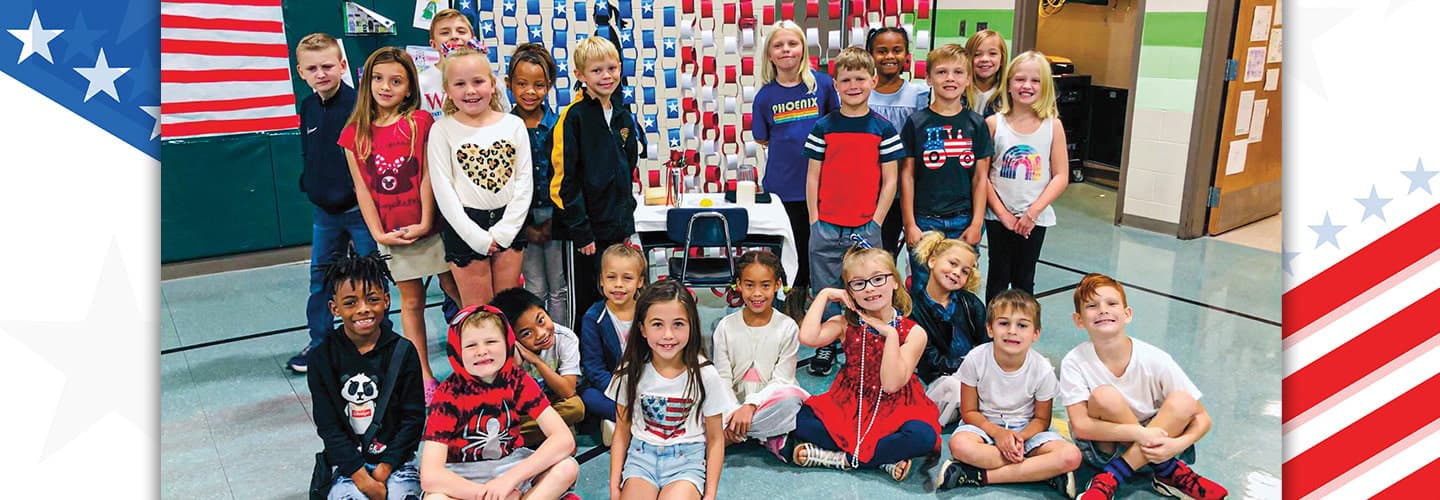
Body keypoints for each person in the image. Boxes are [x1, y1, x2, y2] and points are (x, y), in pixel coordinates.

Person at [338, 46, 460, 403]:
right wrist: (377, 233)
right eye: (377, 79)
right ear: (366, 82)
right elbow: (362, 188)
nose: (385, 87)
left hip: (431, 228)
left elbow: (426, 176)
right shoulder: (354, 133)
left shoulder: (420, 122)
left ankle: (481, 358)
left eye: (395, 80)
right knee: (411, 302)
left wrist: (424, 221)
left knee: (457, 289)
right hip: (391, 233)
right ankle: (422, 374)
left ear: (409, 87)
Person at [1062, 274, 1229, 500]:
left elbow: (1203, 418)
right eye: (1092, 306)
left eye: (1111, 303)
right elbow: (1081, 426)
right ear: (1079, 320)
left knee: (1183, 401)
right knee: (1104, 396)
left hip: (1160, 446)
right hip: (1105, 449)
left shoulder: (1155, 358)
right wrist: (1140, 434)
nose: (1102, 310)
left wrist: (1178, 444)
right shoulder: (1074, 361)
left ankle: (1110, 478)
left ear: (1127, 314)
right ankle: (1168, 470)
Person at [790, 245, 940, 482]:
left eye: (878, 279)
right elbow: (807, 337)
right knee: (796, 419)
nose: (869, 288)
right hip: (850, 403)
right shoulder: (844, 324)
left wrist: (889, 335)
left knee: (923, 437)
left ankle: (840, 459)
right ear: (849, 291)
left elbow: (891, 385)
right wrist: (825, 294)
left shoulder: (914, 332)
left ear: (895, 282)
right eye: (858, 283)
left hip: (896, 407)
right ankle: (882, 461)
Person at [802, 47, 906, 377]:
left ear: (873, 80)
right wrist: (814, 220)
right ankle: (828, 346)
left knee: (867, 288)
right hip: (827, 224)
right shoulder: (824, 126)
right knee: (827, 288)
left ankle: (868, 345)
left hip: (865, 226)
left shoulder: (883, 128)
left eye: (860, 78)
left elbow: (891, 180)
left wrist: (876, 220)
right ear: (835, 85)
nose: (853, 85)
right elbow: (813, 175)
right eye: (846, 79)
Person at [290, 32, 390, 374]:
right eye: (313, 68)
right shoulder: (307, 107)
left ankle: (379, 342)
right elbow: (310, 153)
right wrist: (311, 184)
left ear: (343, 65)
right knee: (321, 279)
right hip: (325, 214)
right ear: (301, 71)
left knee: (371, 277)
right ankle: (320, 344)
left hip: (361, 213)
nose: (321, 73)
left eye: (328, 66)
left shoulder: (361, 105)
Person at [925, 289, 1081, 496]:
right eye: (1004, 323)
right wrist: (999, 434)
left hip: (1027, 432)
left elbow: (1042, 419)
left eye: (1022, 325)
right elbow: (969, 411)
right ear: (990, 328)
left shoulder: (1042, 369)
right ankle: (1041, 471)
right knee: (959, 445)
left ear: (1036, 333)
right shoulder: (975, 359)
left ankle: (976, 476)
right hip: (983, 427)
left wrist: (1017, 438)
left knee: (1071, 456)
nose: (1012, 331)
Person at [418, 305, 580, 499]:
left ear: (508, 343)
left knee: (567, 467)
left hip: (510, 466)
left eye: (491, 341)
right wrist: (488, 494)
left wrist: (508, 481)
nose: (482, 351)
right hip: (463, 475)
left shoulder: (517, 380)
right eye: (471, 345)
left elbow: (564, 439)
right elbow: (430, 475)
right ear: (456, 352)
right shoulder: (448, 393)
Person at [306, 251, 425, 499]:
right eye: (350, 303)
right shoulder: (322, 358)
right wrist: (362, 479)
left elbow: (413, 420)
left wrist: (384, 470)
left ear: (387, 300)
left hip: (397, 464)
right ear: (334, 308)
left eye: (372, 299)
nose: (363, 309)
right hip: (347, 467)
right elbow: (329, 427)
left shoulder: (403, 352)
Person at [607, 279, 737, 500]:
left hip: (687, 462)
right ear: (642, 329)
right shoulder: (629, 371)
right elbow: (621, 430)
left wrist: (710, 493)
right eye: (657, 324)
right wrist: (614, 484)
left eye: (678, 324)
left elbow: (715, 439)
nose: (668, 335)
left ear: (691, 326)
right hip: (641, 459)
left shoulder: (705, 374)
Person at [427, 47, 532, 307]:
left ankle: (511, 350)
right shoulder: (442, 130)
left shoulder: (513, 125)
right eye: (460, 84)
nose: (470, 91)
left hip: (510, 221)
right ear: (448, 90)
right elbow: (444, 190)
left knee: (509, 309)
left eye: (478, 81)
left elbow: (524, 182)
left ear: (493, 85)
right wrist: (476, 237)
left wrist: (506, 230)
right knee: (480, 313)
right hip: (464, 225)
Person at [550, 35, 641, 325]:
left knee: (620, 296)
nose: (606, 76)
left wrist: (626, 221)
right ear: (580, 75)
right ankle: (588, 362)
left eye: (612, 68)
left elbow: (628, 168)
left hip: (617, 227)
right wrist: (581, 230)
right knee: (589, 299)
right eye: (597, 70)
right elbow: (565, 181)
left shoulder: (623, 116)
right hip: (587, 234)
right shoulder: (573, 117)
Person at [752, 20, 840, 302]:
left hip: (823, 185)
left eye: (792, 43)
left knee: (820, 247)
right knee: (791, 247)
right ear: (769, 54)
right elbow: (763, 139)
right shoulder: (765, 96)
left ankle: (824, 301)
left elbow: (836, 126)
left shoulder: (824, 85)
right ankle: (793, 300)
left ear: (803, 48)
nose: (786, 50)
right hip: (782, 186)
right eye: (778, 45)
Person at [899, 43, 993, 290]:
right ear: (929, 78)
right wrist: (910, 223)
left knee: (960, 285)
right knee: (923, 284)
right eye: (941, 72)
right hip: (925, 220)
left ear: (968, 79)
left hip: (963, 220)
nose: (950, 78)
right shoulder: (916, 122)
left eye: (958, 72)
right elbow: (907, 175)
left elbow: (980, 178)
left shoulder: (977, 124)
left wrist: (976, 223)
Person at [984, 51, 1069, 301]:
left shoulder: (1053, 125)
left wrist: (1032, 213)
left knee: (1024, 278)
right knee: (998, 278)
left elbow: (1061, 176)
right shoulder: (993, 124)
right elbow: (983, 176)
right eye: (1020, 79)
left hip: (1035, 219)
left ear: (1045, 87)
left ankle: (1023, 331)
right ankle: (992, 333)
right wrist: (1003, 214)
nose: (1027, 86)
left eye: (1035, 80)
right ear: (1008, 84)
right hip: (999, 218)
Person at [710, 251, 810, 459]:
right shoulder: (725, 327)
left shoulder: (787, 327)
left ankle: (728, 436)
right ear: (738, 285)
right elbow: (722, 378)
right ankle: (765, 435)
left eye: (765, 285)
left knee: (792, 400)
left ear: (776, 285)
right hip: (731, 406)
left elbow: (782, 379)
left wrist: (751, 405)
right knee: (703, 398)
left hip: (768, 403)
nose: (757, 293)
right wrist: (735, 410)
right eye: (749, 285)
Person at [507, 43, 571, 328]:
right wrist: (523, 224)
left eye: (539, 85)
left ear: (549, 86)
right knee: (533, 286)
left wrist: (555, 219)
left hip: (555, 216)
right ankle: (537, 346)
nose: (530, 92)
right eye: (522, 84)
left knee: (558, 286)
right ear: (509, 84)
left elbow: (566, 175)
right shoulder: (504, 126)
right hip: (519, 219)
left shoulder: (559, 125)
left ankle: (560, 345)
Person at [490, 287, 586, 446]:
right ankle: (555, 433)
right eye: (526, 333)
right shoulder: (503, 351)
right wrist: (513, 362)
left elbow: (568, 391)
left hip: (551, 402)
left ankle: (511, 439)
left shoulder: (565, 338)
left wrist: (536, 361)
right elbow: (502, 402)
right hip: (520, 410)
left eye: (541, 320)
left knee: (576, 408)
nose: (541, 333)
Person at [866, 27, 931, 260]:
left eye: (897, 50)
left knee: (888, 251)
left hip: (902, 190)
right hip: (868, 188)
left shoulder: (919, 95)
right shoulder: (861, 94)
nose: (890, 56)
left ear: (907, 54)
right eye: (882, 51)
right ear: (871, 55)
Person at [577, 244, 648, 442]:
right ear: (601, 280)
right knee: (587, 396)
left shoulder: (649, 312)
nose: (618, 284)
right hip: (610, 387)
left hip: (645, 384)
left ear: (640, 281)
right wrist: (622, 393)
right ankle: (632, 420)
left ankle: (624, 422)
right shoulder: (593, 317)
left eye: (627, 278)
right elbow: (594, 368)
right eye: (611, 277)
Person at [907, 231, 987, 387]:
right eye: (952, 263)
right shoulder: (913, 310)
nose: (957, 272)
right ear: (932, 261)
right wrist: (969, 367)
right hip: (939, 381)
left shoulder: (971, 303)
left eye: (965, 271)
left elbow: (986, 343)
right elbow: (930, 361)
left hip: (976, 374)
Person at [419, 8, 494, 119]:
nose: (454, 36)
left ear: (472, 39)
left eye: (461, 31)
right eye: (445, 32)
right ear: (433, 44)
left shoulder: (488, 77)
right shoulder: (421, 81)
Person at [963, 30, 1008, 117]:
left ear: (1002, 59)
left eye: (992, 53)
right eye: (977, 54)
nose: (985, 59)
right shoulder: (957, 92)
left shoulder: (1009, 95)